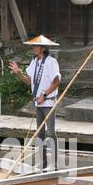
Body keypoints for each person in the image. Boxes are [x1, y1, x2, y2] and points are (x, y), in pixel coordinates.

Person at [10, 35, 61, 169]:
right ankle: (42, 162)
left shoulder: (51, 61)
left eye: (36, 46)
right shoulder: (34, 62)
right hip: (38, 102)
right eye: (33, 46)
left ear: (43, 48)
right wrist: (18, 72)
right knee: (40, 133)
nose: (33, 48)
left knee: (50, 132)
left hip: (48, 102)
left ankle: (54, 164)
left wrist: (44, 95)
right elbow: (28, 81)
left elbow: (56, 81)